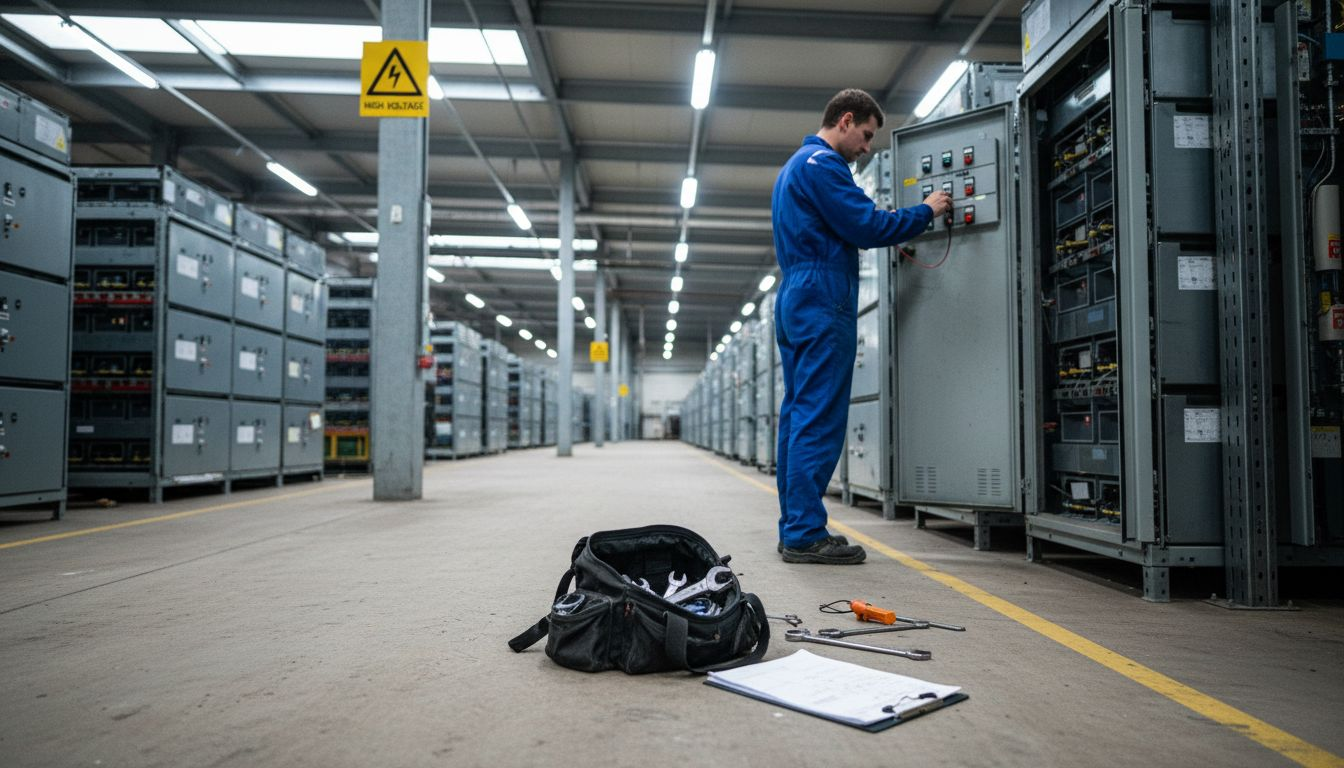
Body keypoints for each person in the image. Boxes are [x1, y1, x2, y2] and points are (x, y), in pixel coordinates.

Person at [771, 88, 953, 564]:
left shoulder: (794, 167)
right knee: (818, 416)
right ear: (846, 120)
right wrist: (926, 212)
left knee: (797, 413)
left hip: (796, 295)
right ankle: (805, 533)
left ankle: (795, 525)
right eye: (867, 136)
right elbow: (868, 226)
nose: (867, 147)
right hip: (822, 296)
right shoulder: (823, 165)